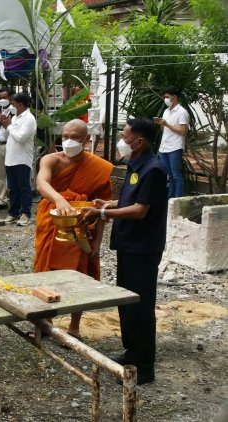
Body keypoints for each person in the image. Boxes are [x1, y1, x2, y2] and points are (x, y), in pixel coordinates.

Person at [80, 118, 168, 385]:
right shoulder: (136, 166)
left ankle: (144, 365)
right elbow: (135, 200)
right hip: (129, 244)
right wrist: (109, 202)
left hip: (143, 247)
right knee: (127, 300)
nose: (121, 140)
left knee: (141, 305)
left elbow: (140, 211)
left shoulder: (153, 169)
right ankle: (132, 352)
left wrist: (103, 213)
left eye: (124, 135)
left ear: (139, 142)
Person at [34, 119, 113, 341]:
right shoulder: (51, 159)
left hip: (81, 226)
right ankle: (46, 319)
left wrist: (97, 243)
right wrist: (59, 199)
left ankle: (75, 325)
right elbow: (42, 182)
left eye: (75, 137)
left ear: (87, 139)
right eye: (65, 137)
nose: (68, 141)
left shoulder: (99, 167)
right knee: (46, 270)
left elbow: (102, 209)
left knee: (79, 274)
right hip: (52, 223)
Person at [0, 92, 36, 226]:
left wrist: (8, 125)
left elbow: (21, 137)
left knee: (24, 187)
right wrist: (3, 122)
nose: (11, 105)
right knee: (13, 188)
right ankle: (13, 212)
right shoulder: (14, 118)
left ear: (20, 104)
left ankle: (25, 213)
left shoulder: (29, 119)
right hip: (10, 157)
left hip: (22, 158)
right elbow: (7, 135)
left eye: (13, 103)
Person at [155, 86, 189, 199]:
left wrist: (166, 124)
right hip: (164, 147)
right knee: (168, 175)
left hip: (175, 148)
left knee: (176, 175)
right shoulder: (166, 111)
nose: (165, 99)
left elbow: (183, 131)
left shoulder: (182, 112)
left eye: (167, 97)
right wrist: (161, 124)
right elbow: (165, 130)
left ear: (174, 97)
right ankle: (170, 199)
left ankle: (178, 199)